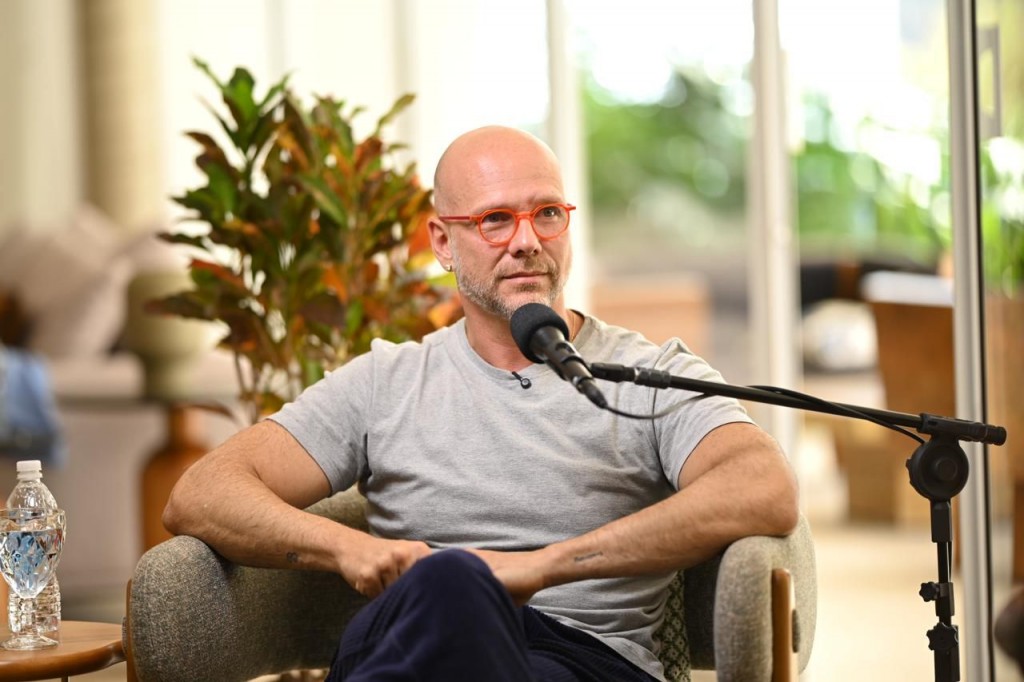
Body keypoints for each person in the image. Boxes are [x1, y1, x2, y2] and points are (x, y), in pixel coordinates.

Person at [163, 125, 799, 682]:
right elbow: (201, 493)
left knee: (451, 577)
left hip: (581, 660)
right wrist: (348, 549)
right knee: (446, 584)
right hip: (411, 637)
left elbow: (763, 484)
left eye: (546, 213)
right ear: (443, 242)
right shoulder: (386, 381)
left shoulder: (649, 374)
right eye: (495, 219)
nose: (527, 240)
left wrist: (540, 569)